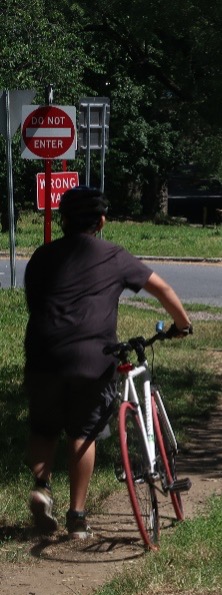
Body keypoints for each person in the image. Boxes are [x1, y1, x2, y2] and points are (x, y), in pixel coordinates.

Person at [23, 186, 192, 540]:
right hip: (92, 358)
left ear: (62, 220)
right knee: (83, 433)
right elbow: (161, 288)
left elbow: (34, 303)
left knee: (44, 427)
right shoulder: (114, 256)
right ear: (101, 221)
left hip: (43, 354)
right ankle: (77, 517)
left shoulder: (42, 256)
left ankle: (41, 487)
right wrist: (182, 325)